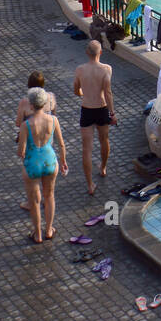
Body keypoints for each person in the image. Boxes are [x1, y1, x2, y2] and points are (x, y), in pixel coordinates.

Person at [19, 87, 68, 243]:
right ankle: (49, 230)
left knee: (34, 202)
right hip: (50, 161)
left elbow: (21, 151)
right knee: (49, 196)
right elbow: (61, 144)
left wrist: (24, 156)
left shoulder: (26, 125)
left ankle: (37, 233)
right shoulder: (53, 120)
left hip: (32, 163)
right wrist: (63, 161)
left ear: (31, 105)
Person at [73, 40, 116, 196]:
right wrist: (112, 113)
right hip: (102, 109)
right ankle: (103, 168)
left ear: (87, 53)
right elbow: (108, 93)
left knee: (86, 150)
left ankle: (90, 185)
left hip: (87, 109)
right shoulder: (106, 69)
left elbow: (76, 89)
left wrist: (83, 94)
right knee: (104, 140)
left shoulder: (80, 70)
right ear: (100, 53)